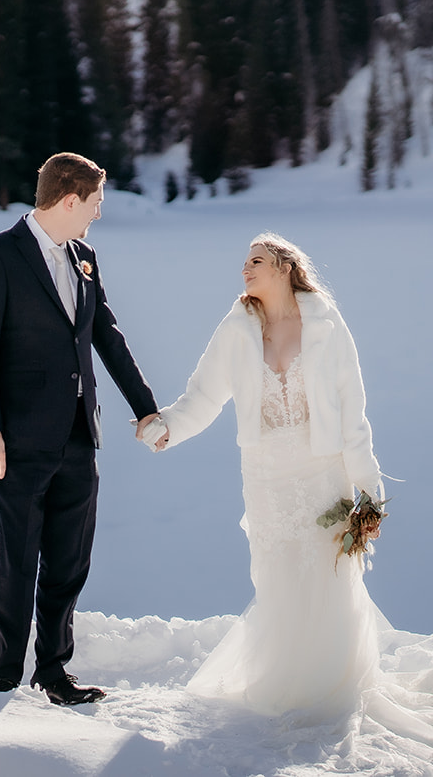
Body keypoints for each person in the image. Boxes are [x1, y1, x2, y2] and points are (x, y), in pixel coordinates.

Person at [137, 232, 385, 721]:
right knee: (278, 575)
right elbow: (204, 395)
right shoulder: (236, 329)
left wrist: (368, 488)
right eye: (244, 263)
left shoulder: (327, 325)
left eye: (256, 260)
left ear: (285, 267)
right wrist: (166, 429)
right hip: (267, 475)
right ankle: (284, 681)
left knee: (326, 573)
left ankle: (331, 682)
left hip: (320, 471)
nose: (245, 269)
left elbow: (353, 409)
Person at [0, 152, 161, 706]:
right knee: (17, 557)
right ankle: (3, 675)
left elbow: (107, 337)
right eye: (95, 204)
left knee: (69, 560)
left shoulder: (85, 257)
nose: (97, 215)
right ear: (69, 199)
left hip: (79, 433)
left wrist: (145, 408)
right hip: (17, 438)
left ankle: (53, 672)